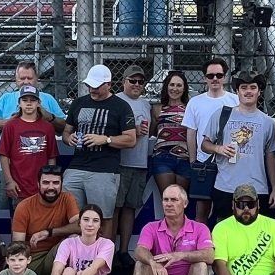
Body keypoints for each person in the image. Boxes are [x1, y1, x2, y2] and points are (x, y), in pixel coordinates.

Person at [62, 63, 138, 219]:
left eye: (96, 86)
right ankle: (74, 244)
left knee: (102, 218)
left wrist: (106, 139)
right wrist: (69, 138)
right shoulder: (78, 103)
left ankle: (105, 245)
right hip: (76, 167)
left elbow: (131, 140)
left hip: (104, 170)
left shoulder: (121, 106)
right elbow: (66, 132)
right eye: (89, 85)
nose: (92, 89)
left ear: (109, 85)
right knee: (71, 218)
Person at [204, 72, 275, 212]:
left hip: (257, 188)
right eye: (244, 87)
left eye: (253, 87)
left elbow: (271, 156)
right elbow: (204, 144)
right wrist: (218, 149)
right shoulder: (222, 114)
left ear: (259, 91)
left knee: (254, 231)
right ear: (237, 91)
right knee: (224, 230)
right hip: (225, 186)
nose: (248, 91)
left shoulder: (268, 122)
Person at [182, 56, 239, 223]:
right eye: (210, 75)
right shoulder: (195, 102)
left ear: (225, 77)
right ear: (204, 78)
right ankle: (202, 247)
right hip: (204, 162)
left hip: (229, 163)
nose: (215, 79)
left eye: (219, 75)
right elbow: (191, 133)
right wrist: (194, 161)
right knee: (202, 209)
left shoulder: (235, 100)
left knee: (227, 211)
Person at [0, 87, 63, 216]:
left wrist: (49, 182)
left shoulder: (48, 127)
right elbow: (4, 155)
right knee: (18, 227)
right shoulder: (10, 126)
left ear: (38, 103)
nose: (29, 103)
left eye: (33, 100)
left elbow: (51, 157)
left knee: (41, 223)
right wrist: (9, 181)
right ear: (19, 103)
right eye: (25, 100)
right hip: (18, 186)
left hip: (40, 187)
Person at [12, 164, 81, 275]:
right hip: (33, 258)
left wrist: (48, 232)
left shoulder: (67, 198)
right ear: (38, 184)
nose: (51, 187)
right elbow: (18, 245)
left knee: (74, 239)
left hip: (59, 255)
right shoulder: (24, 206)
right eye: (46, 183)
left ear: (61, 185)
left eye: (55, 183)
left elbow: (80, 227)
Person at [115, 64, 156, 251]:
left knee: (130, 208)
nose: (137, 84)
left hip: (139, 163)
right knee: (114, 209)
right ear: (124, 81)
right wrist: (133, 132)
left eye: (140, 81)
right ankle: (110, 252)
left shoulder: (146, 104)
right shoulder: (115, 101)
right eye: (132, 81)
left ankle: (123, 250)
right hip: (119, 163)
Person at [0, 59, 67, 134]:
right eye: (22, 78)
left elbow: (64, 126)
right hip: (12, 149)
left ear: (36, 79)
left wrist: (50, 117)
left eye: (30, 78)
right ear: (15, 79)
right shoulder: (6, 98)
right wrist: (13, 122)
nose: (26, 82)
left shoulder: (48, 99)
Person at [151, 69, 193, 206]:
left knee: (180, 203)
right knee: (168, 202)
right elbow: (152, 133)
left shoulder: (190, 109)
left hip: (185, 159)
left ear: (184, 88)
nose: (175, 88)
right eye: (172, 85)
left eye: (179, 85)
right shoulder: (157, 108)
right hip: (162, 159)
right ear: (166, 86)